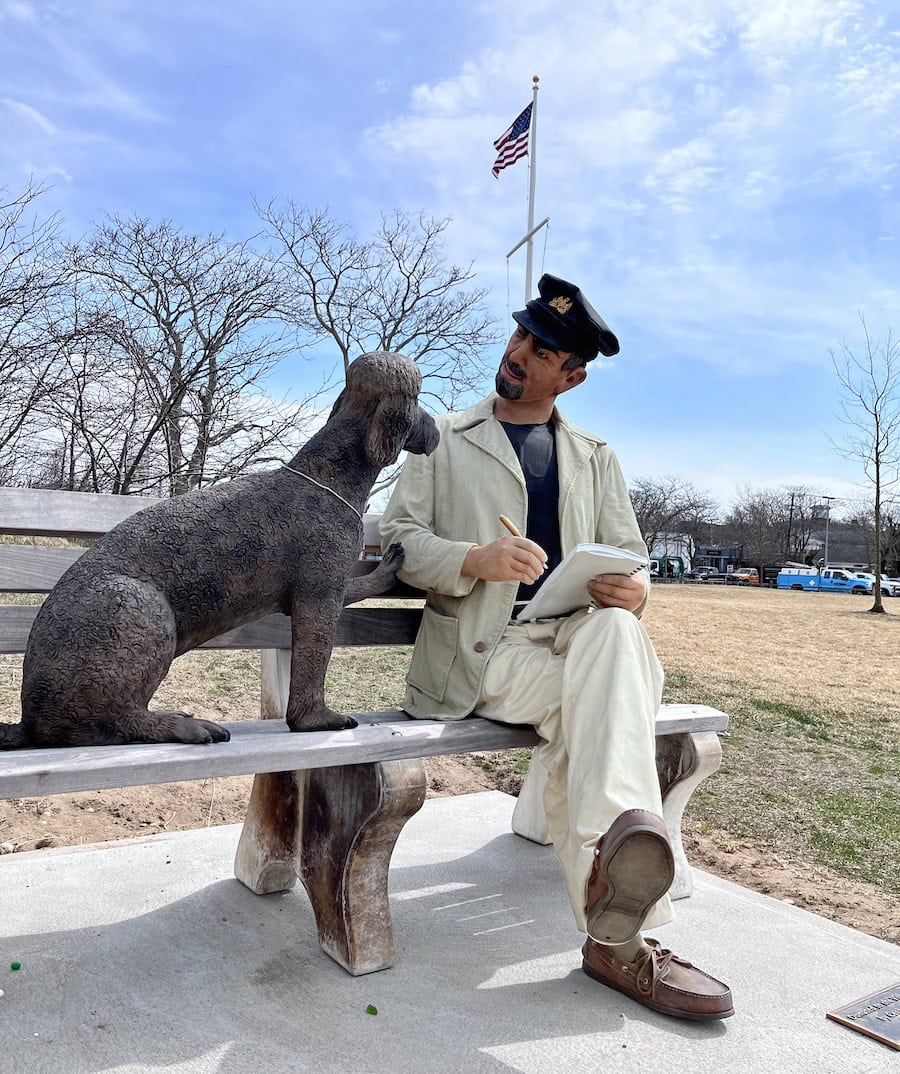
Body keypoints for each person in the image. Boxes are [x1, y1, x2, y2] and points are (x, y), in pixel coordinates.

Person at [380, 273, 733, 1021]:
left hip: (575, 636)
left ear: (570, 377)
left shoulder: (597, 457)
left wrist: (636, 592)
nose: (519, 355)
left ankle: (616, 878)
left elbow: (632, 558)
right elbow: (400, 542)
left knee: (617, 629)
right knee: (605, 701)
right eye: (520, 339)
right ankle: (623, 932)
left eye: (541, 354)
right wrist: (474, 558)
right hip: (486, 645)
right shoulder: (443, 438)